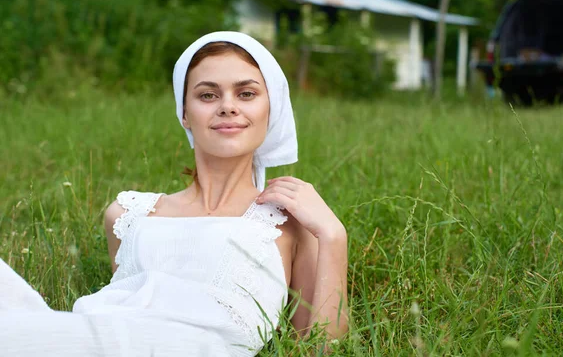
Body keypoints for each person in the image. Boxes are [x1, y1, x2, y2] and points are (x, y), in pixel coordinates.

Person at [0, 31, 349, 356]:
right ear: (184, 113)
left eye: (246, 93)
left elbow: (320, 347)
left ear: (271, 110)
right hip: (96, 336)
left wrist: (334, 236)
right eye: (207, 94)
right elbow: (124, 307)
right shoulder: (127, 214)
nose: (227, 106)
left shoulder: (294, 223)